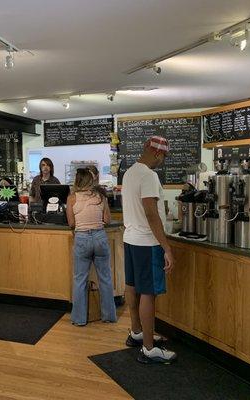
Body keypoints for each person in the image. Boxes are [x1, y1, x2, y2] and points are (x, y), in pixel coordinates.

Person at [121, 135, 176, 364]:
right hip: (147, 242)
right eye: (163, 157)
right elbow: (152, 214)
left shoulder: (129, 172)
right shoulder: (149, 175)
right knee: (149, 293)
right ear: (157, 153)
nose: (161, 162)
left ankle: (136, 332)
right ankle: (149, 348)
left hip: (131, 238)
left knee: (132, 286)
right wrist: (167, 248)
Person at [66, 168, 116, 326]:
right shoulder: (100, 196)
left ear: (77, 181)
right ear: (91, 180)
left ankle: (79, 319)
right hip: (100, 237)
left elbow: (71, 223)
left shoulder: (72, 198)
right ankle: (108, 316)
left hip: (82, 238)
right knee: (106, 279)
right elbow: (107, 220)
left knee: (80, 280)